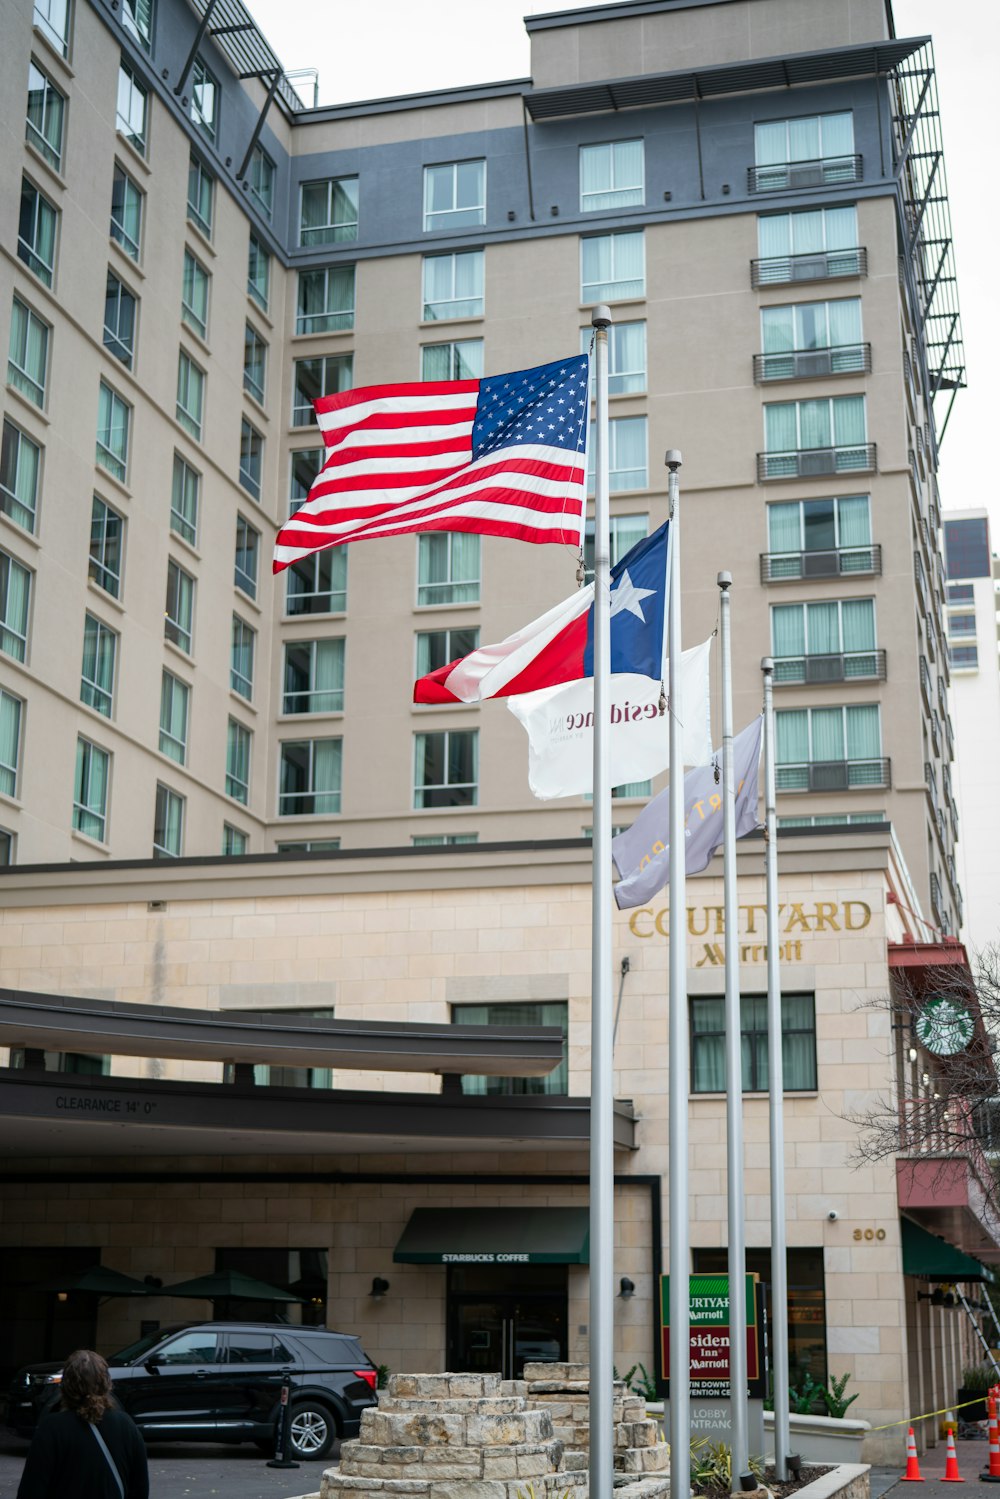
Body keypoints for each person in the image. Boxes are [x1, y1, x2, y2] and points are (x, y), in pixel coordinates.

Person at [16, 1348, 149, 1499]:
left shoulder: (51, 1428)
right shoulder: (126, 1425)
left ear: (66, 1385)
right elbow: (140, 1489)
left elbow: (31, 1490)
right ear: (106, 1383)